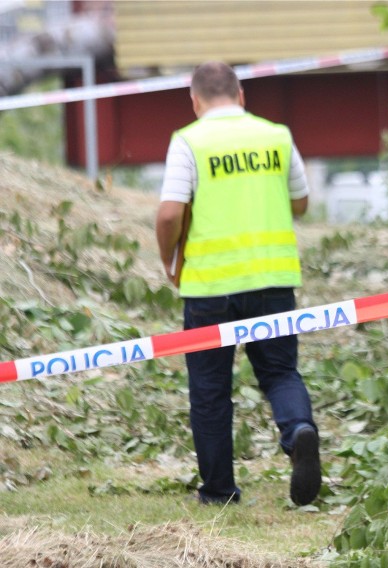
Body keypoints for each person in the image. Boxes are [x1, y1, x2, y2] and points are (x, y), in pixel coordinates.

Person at [155, 61, 321, 506]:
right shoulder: (277, 135)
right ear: (241, 95)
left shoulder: (188, 141)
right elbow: (301, 203)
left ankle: (219, 491)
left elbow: (171, 213)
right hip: (273, 279)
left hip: (209, 286)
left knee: (210, 392)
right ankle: (299, 431)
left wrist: (169, 257)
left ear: (194, 100)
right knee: (280, 373)